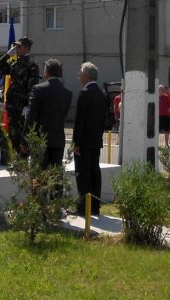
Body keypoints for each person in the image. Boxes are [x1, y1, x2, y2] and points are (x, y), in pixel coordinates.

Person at [73, 62, 109, 215]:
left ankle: (83, 207)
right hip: (96, 140)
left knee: (83, 174)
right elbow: (104, 120)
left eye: (80, 74)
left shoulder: (84, 93)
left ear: (86, 76)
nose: (79, 77)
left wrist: (76, 142)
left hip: (83, 142)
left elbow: (79, 121)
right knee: (95, 172)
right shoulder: (102, 94)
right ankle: (95, 206)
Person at [26, 58, 73, 168]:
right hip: (58, 139)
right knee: (56, 176)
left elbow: (31, 116)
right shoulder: (67, 93)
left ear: (46, 73)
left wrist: (25, 140)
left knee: (39, 178)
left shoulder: (38, 89)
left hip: (40, 139)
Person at [0, 36, 39, 157]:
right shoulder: (15, 64)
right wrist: (7, 55)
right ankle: (17, 160)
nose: (16, 49)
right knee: (12, 134)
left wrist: (27, 106)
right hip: (12, 106)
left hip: (21, 108)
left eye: (19, 46)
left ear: (26, 48)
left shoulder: (32, 66)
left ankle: (23, 161)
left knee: (22, 136)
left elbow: (32, 88)